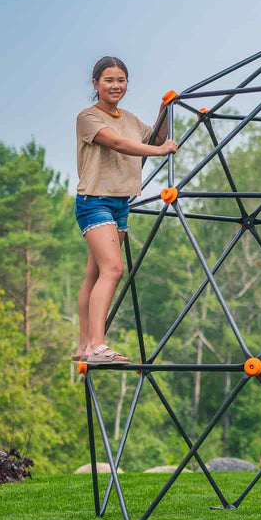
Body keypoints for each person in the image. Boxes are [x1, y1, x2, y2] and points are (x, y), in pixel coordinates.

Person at [73, 56, 178, 364]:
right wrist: (159, 151)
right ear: (95, 84)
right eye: (108, 80)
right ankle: (96, 346)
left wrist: (164, 113)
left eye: (121, 80)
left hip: (121, 203)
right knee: (114, 270)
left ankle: (83, 346)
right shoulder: (88, 117)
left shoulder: (130, 118)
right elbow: (117, 143)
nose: (116, 86)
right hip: (95, 201)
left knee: (94, 274)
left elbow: (157, 135)